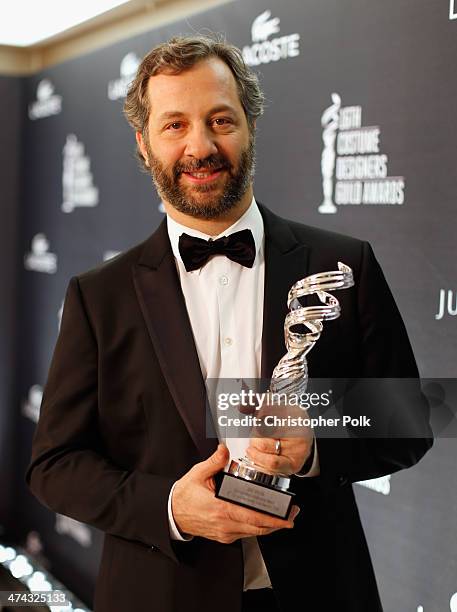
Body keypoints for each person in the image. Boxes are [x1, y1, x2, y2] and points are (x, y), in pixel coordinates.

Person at [26, 36, 432, 612]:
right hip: (159, 592)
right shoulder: (99, 297)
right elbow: (54, 465)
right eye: (174, 126)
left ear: (250, 126)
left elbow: (408, 421)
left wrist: (315, 446)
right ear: (144, 145)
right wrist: (168, 505)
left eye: (221, 119)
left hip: (319, 589)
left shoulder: (344, 264)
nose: (201, 145)